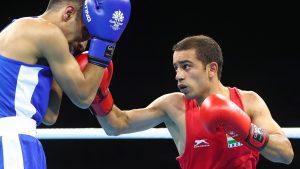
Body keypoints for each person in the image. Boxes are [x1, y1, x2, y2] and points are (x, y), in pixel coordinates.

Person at [80, 35, 294, 169]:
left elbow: (286, 154)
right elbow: (117, 125)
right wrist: (99, 95)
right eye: (176, 68)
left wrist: (247, 131)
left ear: (211, 69)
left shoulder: (248, 101)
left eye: (186, 66)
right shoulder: (174, 106)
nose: (178, 75)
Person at [0, 0, 131, 168]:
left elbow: (49, 116)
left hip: (17, 138)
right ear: (68, 13)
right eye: (85, 32)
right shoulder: (48, 32)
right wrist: (106, 44)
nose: (83, 45)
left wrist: (62, 63)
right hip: (12, 142)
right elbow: (83, 97)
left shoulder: (21, 28)